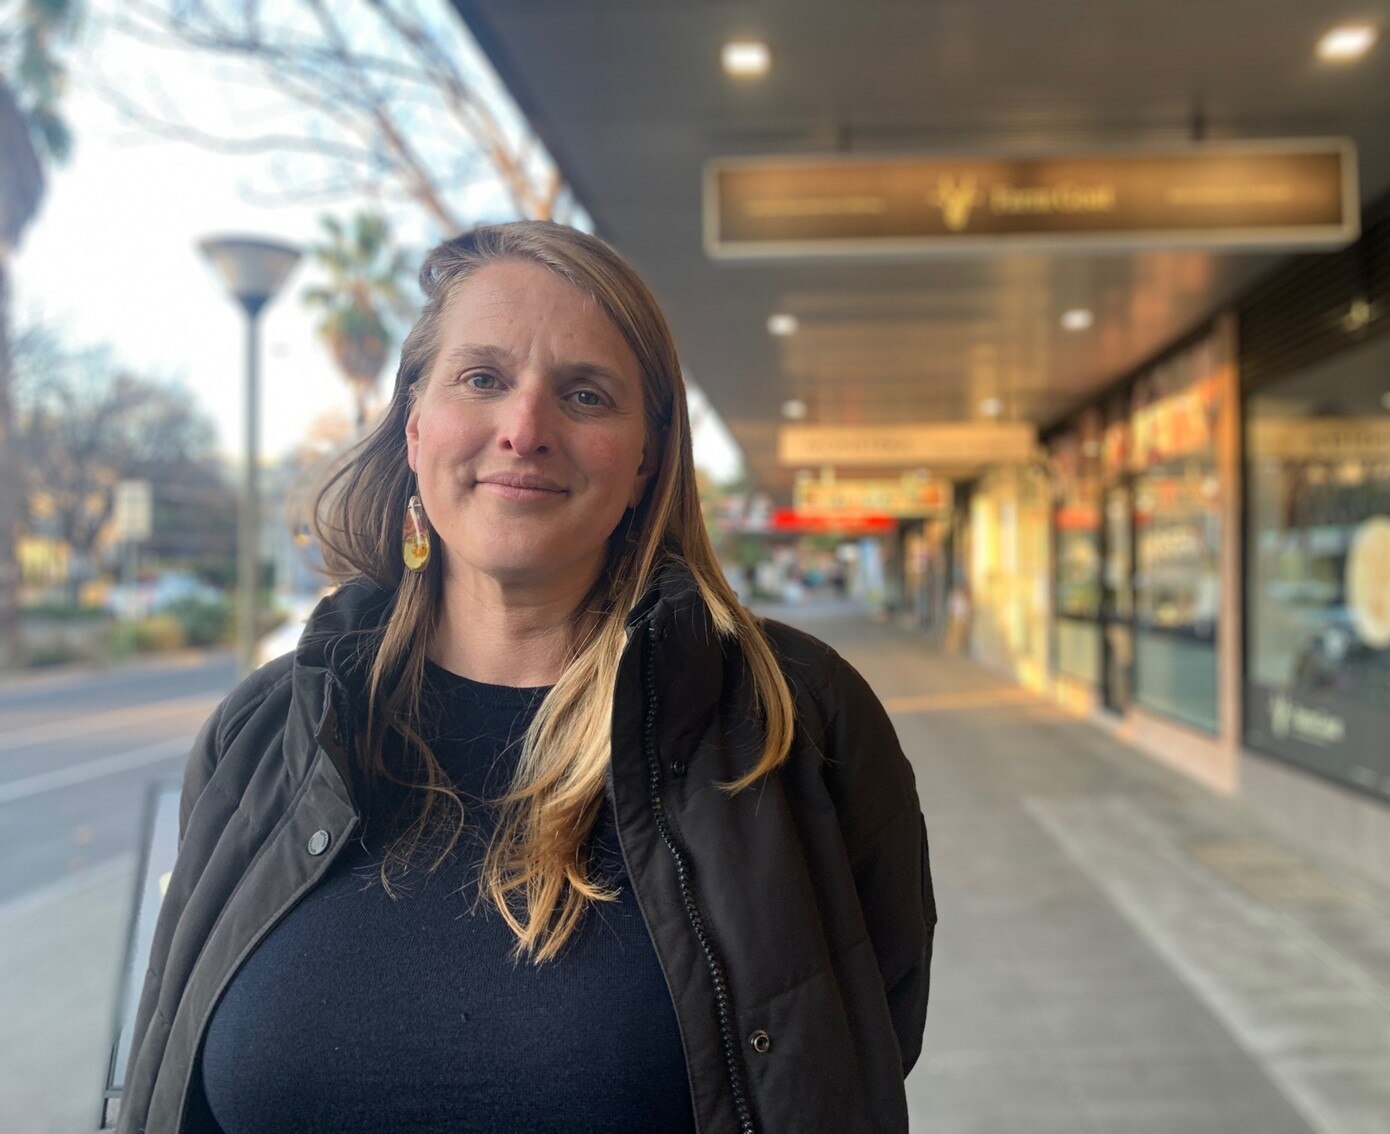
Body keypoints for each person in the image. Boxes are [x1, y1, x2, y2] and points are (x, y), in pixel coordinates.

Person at [117, 221, 936, 1134]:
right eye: (482, 379)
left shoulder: (795, 721)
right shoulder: (264, 732)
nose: (524, 430)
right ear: (414, 425)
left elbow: (854, 1048)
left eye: (586, 395)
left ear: (647, 460)